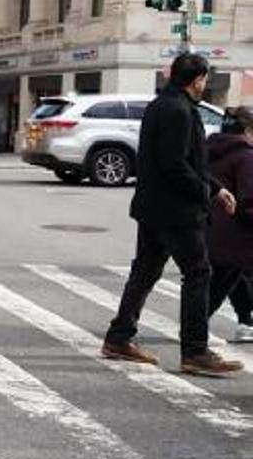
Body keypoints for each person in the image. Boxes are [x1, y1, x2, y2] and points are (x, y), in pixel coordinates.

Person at [103, 53, 243, 377]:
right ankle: (195, 351)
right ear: (196, 80)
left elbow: (188, 162)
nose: (205, 85)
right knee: (198, 273)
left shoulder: (162, 104)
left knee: (146, 271)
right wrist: (205, 192)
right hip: (175, 211)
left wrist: (216, 187)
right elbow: (175, 164)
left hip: (154, 207)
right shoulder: (179, 110)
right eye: (205, 80)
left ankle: (119, 337)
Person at [205, 106, 253, 343]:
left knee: (232, 276)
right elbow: (249, 199)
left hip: (208, 227)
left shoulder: (209, 148)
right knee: (225, 279)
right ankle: (196, 325)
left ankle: (246, 321)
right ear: (247, 130)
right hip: (235, 231)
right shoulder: (246, 156)